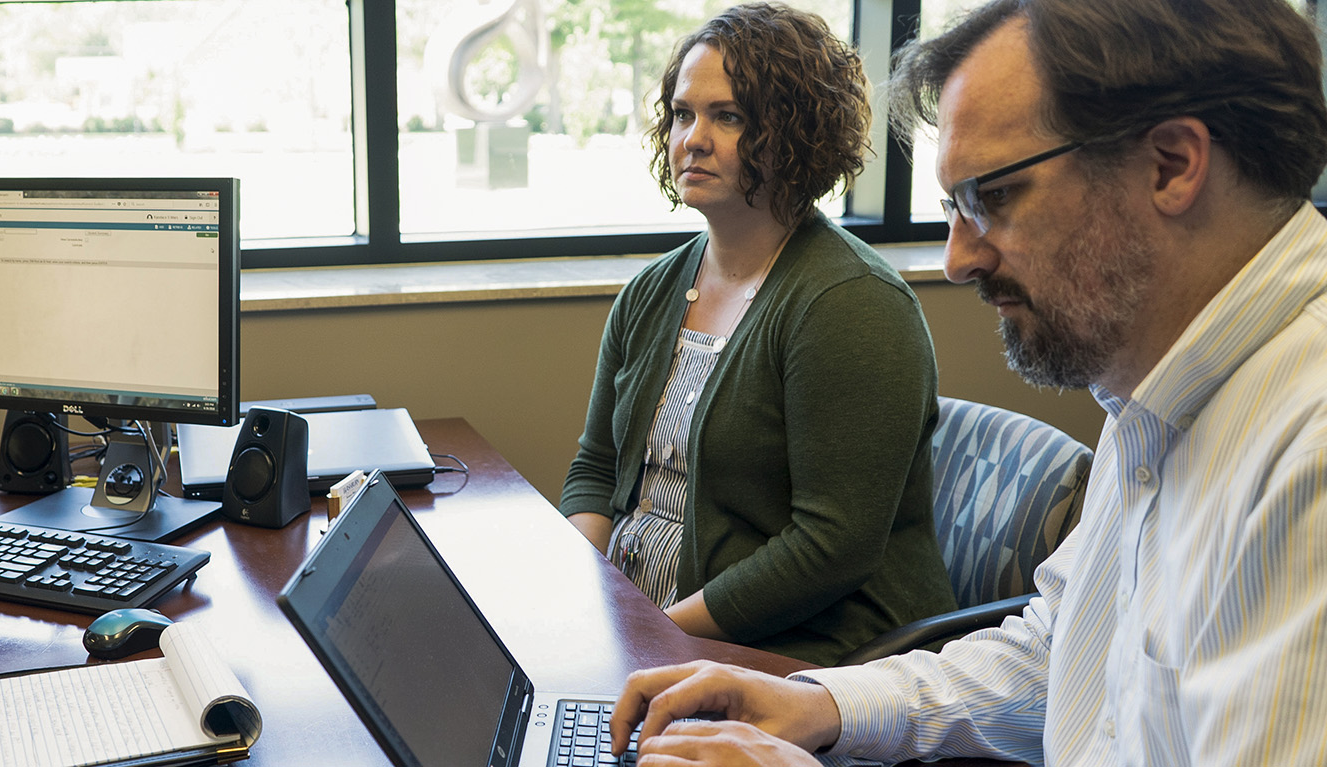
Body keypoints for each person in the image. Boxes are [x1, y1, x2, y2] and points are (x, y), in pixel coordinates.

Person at [607, 0, 1327, 764]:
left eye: (994, 196)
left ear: (1172, 164)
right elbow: (1055, 653)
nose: (958, 259)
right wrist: (822, 703)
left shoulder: (1304, 447)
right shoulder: (1154, 390)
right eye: (954, 205)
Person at [560, 2, 955, 666]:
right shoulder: (651, 293)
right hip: (648, 628)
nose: (693, 138)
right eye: (684, 114)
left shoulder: (852, 304)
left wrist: (656, 634)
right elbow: (598, 469)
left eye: (729, 116)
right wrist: (583, 594)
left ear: (797, 133)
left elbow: (829, 547)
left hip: (809, 652)